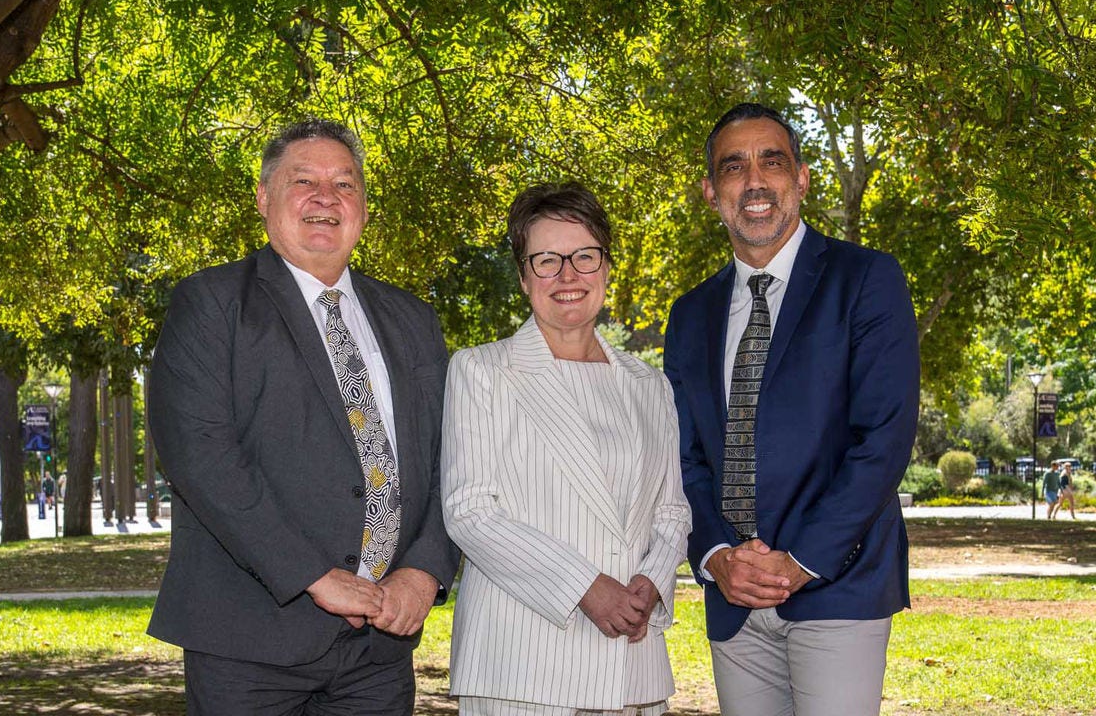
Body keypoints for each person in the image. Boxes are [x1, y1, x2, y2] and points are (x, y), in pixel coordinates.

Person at [147, 119, 460, 715]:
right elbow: (201, 456)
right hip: (250, 644)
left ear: (363, 207)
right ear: (264, 198)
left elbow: (455, 458)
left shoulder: (414, 320)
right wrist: (315, 575)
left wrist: (425, 569)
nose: (326, 197)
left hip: (380, 649)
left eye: (344, 184)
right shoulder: (211, 304)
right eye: (304, 181)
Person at [664, 103, 921, 716]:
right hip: (732, 597)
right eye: (733, 167)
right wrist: (716, 556)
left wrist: (800, 562)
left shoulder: (866, 280)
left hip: (840, 583)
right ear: (710, 191)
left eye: (771, 161)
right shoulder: (689, 314)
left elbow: (883, 437)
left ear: (800, 178)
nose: (754, 181)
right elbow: (683, 454)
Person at [442, 182, 692, 715]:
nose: (568, 275)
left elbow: (672, 510)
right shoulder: (481, 370)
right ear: (523, 276)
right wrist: (586, 587)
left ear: (606, 267)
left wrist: (650, 582)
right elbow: (470, 512)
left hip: (632, 663)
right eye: (547, 260)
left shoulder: (651, 385)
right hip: (521, 663)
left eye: (584, 256)